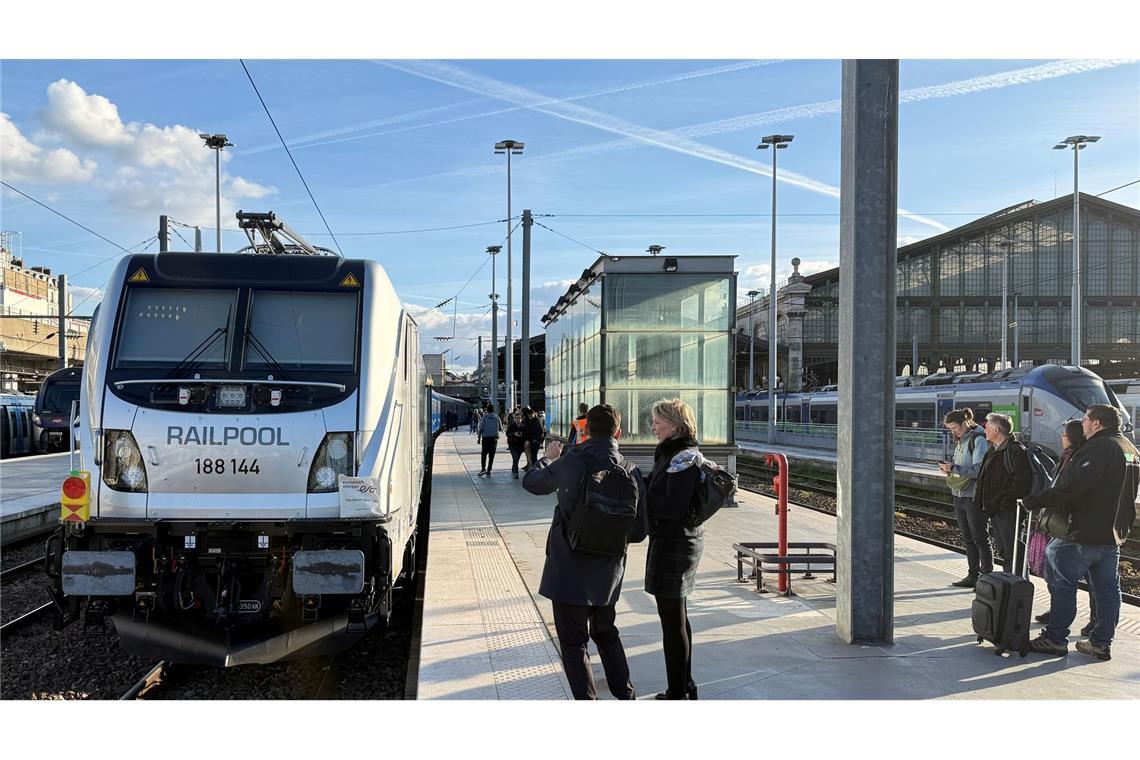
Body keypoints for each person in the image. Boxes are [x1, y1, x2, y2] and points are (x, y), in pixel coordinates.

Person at [522, 404, 648, 700]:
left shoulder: (573, 461)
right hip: (608, 575)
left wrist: (547, 459)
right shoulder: (632, 471)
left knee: (574, 643)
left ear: (585, 429)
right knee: (606, 633)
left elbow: (532, 483)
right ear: (619, 432)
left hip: (569, 572)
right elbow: (640, 532)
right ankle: (625, 694)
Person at [1025, 404, 1139, 660]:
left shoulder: (1099, 447)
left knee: (1063, 585)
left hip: (1082, 532)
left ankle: (1055, 638)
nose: (1083, 423)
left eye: (1086, 419)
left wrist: (1035, 500)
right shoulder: (1130, 449)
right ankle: (1100, 643)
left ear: (1097, 423)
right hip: (1111, 535)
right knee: (1107, 590)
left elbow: (1073, 487)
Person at [645, 397, 704, 700]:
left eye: (657, 421)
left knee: (672, 621)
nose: (653, 426)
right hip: (674, 539)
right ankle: (685, 685)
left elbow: (673, 506)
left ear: (674, 423)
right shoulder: (673, 454)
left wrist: (642, 495)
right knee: (676, 616)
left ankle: (677, 693)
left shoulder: (682, 458)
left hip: (676, 542)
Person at [1034, 420, 1096, 633]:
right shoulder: (1066, 458)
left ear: (1072, 436)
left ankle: (1079, 624)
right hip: (1058, 525)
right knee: (1054, 575)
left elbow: (1067, 491)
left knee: (1082, 579)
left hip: (1073, 527)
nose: (1061, 437)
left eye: (1063, 433)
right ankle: (1056, 613)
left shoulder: (1079, 459)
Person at [973, 412, 1032, 574]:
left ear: (996, 430)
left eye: (987, 427)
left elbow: (1022, 483)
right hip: (997, 511)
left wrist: (1002, 503)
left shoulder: (1014, 450)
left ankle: (1017, 590)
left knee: (1013, 553)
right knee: (1006, 553)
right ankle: (1010, 588)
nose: (984, 430)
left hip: (1008, 512)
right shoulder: (993, 450)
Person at [939, 408, 991, 588]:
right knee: (967, 537)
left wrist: (954, 468)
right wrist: (949, 467)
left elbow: (978, 470)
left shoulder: (979, 440)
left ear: (965, 422)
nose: (954, 432)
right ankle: (973, 575)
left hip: (973, 496)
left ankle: (986, 576)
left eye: (955, 428)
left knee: (979, 537)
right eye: (950, 429)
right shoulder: (961, 440)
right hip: (959, 494)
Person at [476, 403, 503, 478]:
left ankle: (483, 469)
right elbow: (501, 428)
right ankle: (488, 471)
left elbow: (481, 428)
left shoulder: (484, 417)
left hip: (485, 439)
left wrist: (478, 438)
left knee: (484, 454)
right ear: (494, 410)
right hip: (494, 439)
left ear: (487, 410)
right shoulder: (497, 417)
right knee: (491, 456)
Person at [506, 409, 527, 479]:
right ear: (515, 419)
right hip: (512, 445)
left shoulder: (524, 427)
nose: (518, 420)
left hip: (520, 446)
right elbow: (507, 433)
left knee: (516, 459)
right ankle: (515, 473)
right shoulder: (512, 426)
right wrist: (514, 434)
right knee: (515, 458)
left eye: (519, 418)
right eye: (517, 418)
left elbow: (526, 435)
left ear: (521, 419)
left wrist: (522, 434)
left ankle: (513, 470)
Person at [524, 406, 545, 471]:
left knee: (534, 455)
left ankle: (536, 469)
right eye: (529, 416)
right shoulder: (531, 420)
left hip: (536, 441)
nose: (530, 417)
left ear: (533, 414)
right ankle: (535, 468)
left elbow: (541, 431)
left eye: (531, 415)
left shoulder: (537, 420)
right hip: (533, 440)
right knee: (533, 455)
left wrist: (536, 439)